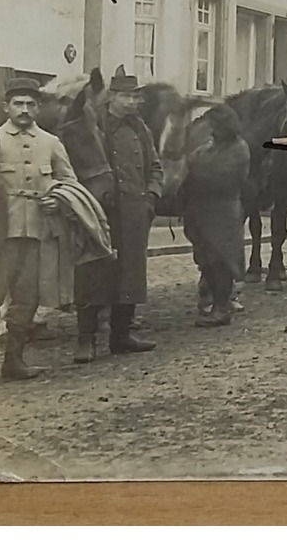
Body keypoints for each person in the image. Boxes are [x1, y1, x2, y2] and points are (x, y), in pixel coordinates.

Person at [64, 70, 162, 363]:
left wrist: (151, 197)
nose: (132, 102)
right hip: (100, 212)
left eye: (135, 97)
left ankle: (122, 335)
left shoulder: (141, 128)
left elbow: (155, 167)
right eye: (126, 96)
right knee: (93, 271)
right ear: (112, 97)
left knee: (130, 273)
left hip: (134, 212)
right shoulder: (94, 124)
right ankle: (86, 340)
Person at [0, 79, 79, 379]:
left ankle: (13, 361)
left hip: (35, 233)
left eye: (30, 104)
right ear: (6, 107)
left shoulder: (51, 142)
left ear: (38, 108)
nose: (24, 110)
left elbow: (70, 183)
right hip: (0, 235)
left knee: (26, 299)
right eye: (18, 104)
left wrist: (58, 200)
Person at [182, 103, 250, 328]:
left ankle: (222, 307)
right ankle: (216, 304)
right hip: (203, 212)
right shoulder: (213, 146)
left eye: (214, 126)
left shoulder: (238, 149)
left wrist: (194, 166)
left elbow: (218, 174)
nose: (210, 131)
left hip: (223, 213)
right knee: (208, 261)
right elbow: (194, 163)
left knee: (222, 261)